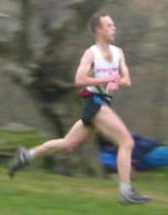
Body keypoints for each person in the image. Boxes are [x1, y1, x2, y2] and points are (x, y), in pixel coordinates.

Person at [9, 12, 151, 204]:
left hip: (103, 103)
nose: (113, 28)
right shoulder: (91, 53)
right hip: (95, 102)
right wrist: (107, 79)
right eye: (108, 26)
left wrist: (118, 81)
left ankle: (27, 155)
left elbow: (127, 79)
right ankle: (126, 192)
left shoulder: (118, 53)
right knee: (126, 142)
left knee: (68, 143)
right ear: (98, 30)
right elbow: (79, 79)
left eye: (113, 25)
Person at [99, 134, 168, 172]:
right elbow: (111, 167)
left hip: (152, 150)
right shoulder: (106, 153)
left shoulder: (122, 136)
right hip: (147, 156)